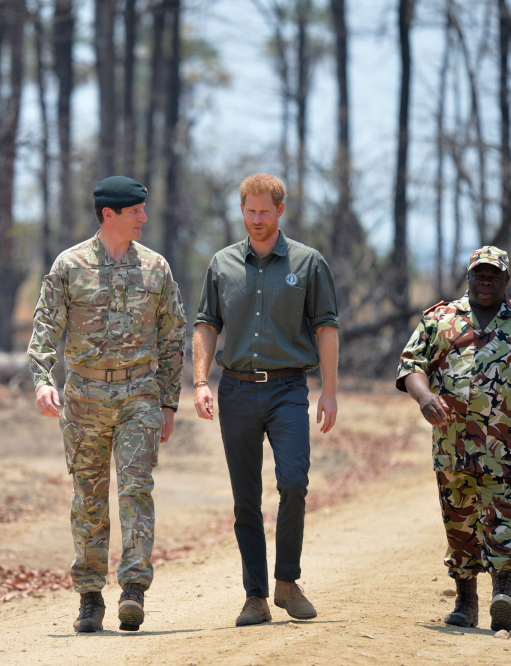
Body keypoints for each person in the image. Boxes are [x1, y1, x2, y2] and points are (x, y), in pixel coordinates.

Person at [27, 176, 186, 634]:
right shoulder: (69, 266)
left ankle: (133, 589)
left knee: (136, 490)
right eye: (136, 211)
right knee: (89, 498)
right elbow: (44, 328)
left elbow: (174, 337)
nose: (144, 217)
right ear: (109, 215)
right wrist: (42, 381)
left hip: (139, 394)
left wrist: (168, 403)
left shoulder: (156, 268)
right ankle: (90, 596)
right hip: (84, 398)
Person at [396, 245, 511, 633]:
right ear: (468, 277)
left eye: (494, 276)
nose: (485, 282)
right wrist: (424, 396)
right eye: (479, 274)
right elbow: (411, 365)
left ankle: (503, 592)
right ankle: (465, 600)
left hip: (504, 448)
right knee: (458, 521)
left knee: (501, 515)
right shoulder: (441, 320)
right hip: (451, 446)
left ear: (506, 280)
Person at [192, 173, 340, 627]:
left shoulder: (308, 262)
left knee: (293, 481)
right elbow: (205, 325)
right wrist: (200, 381)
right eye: (249, 211)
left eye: (264, 211)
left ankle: (287, 583)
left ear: (280, 211)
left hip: (288, 388)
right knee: (245, 499)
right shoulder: (222, 264)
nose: (256, 219)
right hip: (235, 389)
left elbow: (326, 328)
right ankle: (255, 596)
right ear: (242, 211)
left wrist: (330, 391)